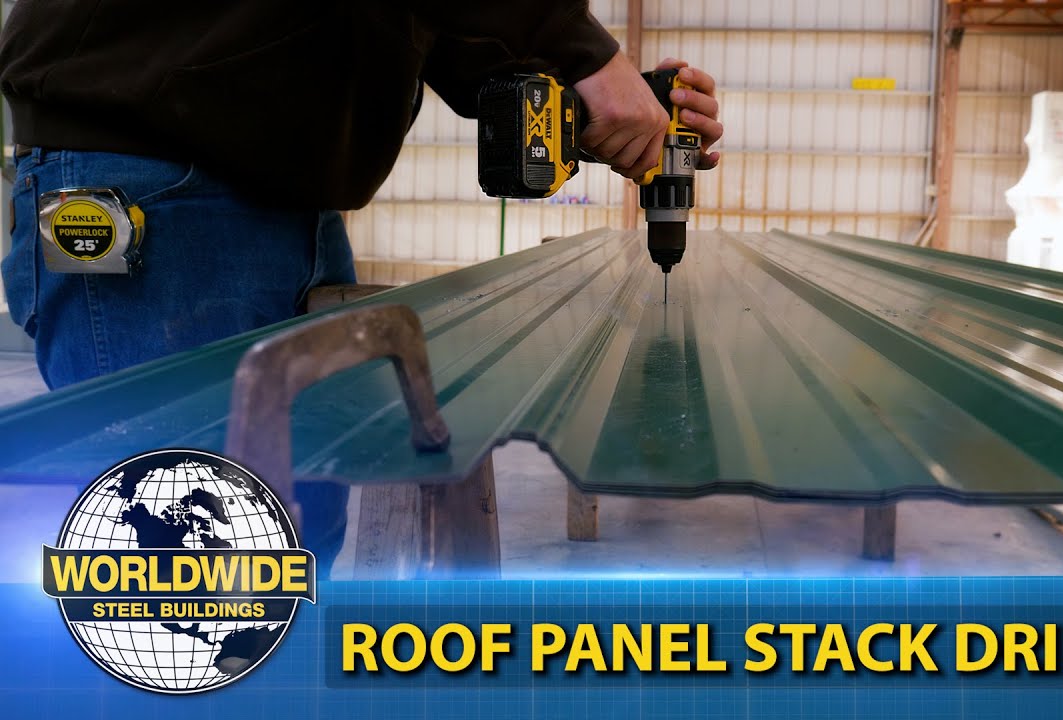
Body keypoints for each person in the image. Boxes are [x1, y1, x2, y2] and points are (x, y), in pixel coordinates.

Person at [0, 2, 723, 574]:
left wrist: (583, 100)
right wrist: (584, 53)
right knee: (191, 583)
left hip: (285, 202)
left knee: (290, 553)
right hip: (156, 180)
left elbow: (446, 33)